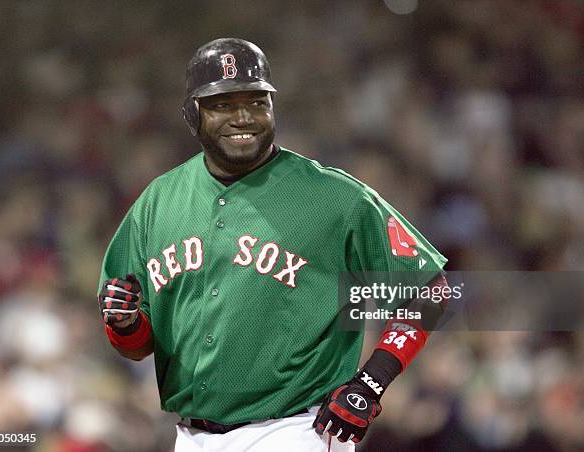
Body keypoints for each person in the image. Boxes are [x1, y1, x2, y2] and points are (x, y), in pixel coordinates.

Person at [98, 38, 449, 452]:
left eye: (256, 101)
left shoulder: (334, 197)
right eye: (223, 104)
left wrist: (370, 382)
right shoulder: (158, 201)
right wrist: (123, 323)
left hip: (298, 431)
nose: (243, 117)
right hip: (191, 437)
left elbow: (431, 289)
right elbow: (137, 345)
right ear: (193, 115)